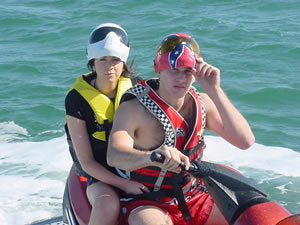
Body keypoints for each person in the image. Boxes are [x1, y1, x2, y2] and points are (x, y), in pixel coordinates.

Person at [107, 32, 255, 225]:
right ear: (157, 68)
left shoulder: (203, 103)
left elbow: (245, 141)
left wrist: (214, 90)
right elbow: (114, 155)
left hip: (194, 195)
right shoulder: (134, 108)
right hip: (148, 200)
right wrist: (151, 156)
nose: (181, 78)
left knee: (249, 220)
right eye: (174, 70)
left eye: (187, 71)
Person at [65, 23, 147, 225]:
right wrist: (125, 185)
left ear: (124, 61)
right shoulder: (76, 99)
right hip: (100, 175)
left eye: (115, 60)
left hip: (135, 167)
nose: (109, 66)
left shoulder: (138, 88)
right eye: (103, 60)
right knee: (107, 205)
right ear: (92, 61)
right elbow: (86, 163)